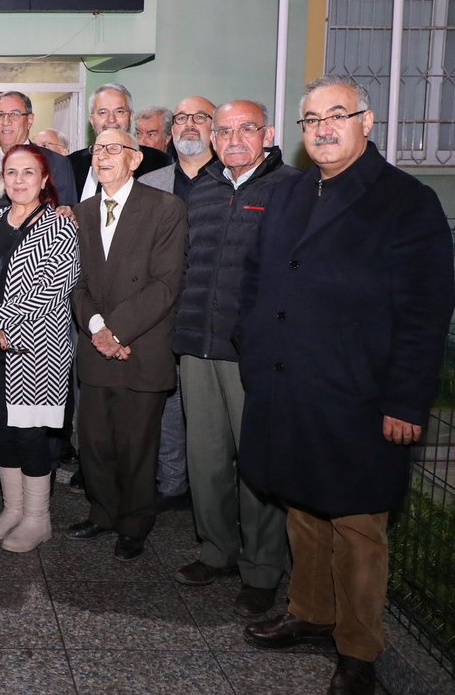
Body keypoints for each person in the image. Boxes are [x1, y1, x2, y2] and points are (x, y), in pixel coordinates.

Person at [239, 76, 454, 695]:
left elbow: (424, 312)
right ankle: (311, 612)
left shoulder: (406, 201)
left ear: (367, 120)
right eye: (311, 119)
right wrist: (254, 349)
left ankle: (358, 651)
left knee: (358, 524)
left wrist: (406, 401)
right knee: (302, 505)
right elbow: (257, 276)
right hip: (288, 383)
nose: (323, 128)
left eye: (338, 115)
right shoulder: (289, 193)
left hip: (358, 393)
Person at [167, 100, 296, 616]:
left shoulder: (288, 190)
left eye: (247, 128)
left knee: (257, 463)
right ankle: (216, 550)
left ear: (267, 133)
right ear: (214, 139)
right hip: (197, 346)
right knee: (206, 459)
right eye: (225, 130)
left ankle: (263, 568)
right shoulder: (203, 189)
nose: (235, 138)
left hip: (254, 354)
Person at [67, 129, 186, 561]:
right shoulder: (80, 213)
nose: (103, 157)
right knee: (94, 441)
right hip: (96, 345)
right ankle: (102, 513)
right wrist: (99, 329)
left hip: (141, 347)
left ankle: (135, 523)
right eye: (97, 149)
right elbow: (74, 283)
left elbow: (165, 284)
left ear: (135, 160)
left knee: (137, 445)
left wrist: (116, 332)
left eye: (113, 149)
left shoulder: (165, 208)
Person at [0, 144, 80, 552]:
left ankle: (37, 518)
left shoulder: (61, 228)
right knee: (1, 430)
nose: (19, 180)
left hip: (34, 350)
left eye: (29, 172)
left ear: (45, 179)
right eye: (11, 172)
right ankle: (13, 509)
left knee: (30, 435)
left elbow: (50, 290)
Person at [137, 96, 217, 511]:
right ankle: (172, 483)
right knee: (166, 404)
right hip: (160, 314)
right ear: (172, 131)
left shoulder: (230, 181)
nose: (190, 126)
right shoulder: (151, 183)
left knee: (211, 416)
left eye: (200, 118)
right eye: (182, 118)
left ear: (214, 127)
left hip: (212, 315)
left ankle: (213, 495)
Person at [68, 84, 168, 203]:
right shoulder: (72, 164)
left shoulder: (159, 162)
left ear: (130, 116)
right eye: (103, 112)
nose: (111, 119)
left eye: (119, 111)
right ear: (91, 120)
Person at [0, 92, 78, 206]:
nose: (6, 122)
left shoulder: (56, 163)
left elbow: (66, 212)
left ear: (30, 120)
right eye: (0, 114)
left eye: (14, 114)